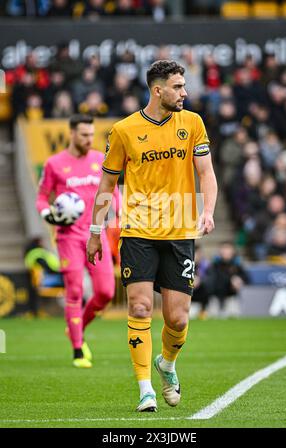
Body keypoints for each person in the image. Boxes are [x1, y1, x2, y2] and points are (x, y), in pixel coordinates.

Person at [86, 60, 217, 412]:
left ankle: (167, 365)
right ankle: (145, 388)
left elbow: (205, 172)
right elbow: (107, 185)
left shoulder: (192, 123)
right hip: (138, 230)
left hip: (180, 231)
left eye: (184, 86)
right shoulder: (125, 131)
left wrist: (207, 211)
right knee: (141, 306)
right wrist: (96, 230)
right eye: (178, 87)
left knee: (177, 319)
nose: (184, 93)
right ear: (158, 90)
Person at [36, 114, 121, 368]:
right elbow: (42, 198)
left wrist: (112, 211)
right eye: (84, 134)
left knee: (106, 292)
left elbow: (113, 193)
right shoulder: (54, 164)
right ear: (72, 134)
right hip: (68, 236)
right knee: (74, 291)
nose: (88, 139)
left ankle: (76, 328)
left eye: (91, 134)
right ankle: (77, 349)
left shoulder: (100, 160)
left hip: (96, 234)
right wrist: (48, 214)